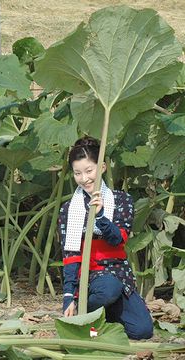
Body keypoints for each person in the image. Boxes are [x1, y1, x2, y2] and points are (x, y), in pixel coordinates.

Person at [58, 136, 153, 340]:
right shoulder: (69, 209)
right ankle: (85, 316)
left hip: (119, 273)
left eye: (89, 171)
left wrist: (101, 217)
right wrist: (68, 296)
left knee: (142, 330)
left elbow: (118, 240)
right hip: (90, 278)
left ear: (102, 167)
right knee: (108, 288)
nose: (84, 178)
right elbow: (71, 255)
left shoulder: (122, 200)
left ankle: (103, 318)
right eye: (77, 173)